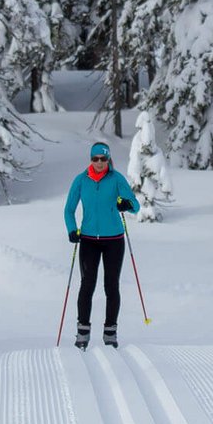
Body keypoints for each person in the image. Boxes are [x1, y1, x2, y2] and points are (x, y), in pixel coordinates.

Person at [64, 141, 140, 350]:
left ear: (108, 160)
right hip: (88, 240)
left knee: (111, 285)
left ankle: (110, 333)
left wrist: (126, 205)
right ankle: (83, 332)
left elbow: (135, 204)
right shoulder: (81, 180)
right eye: (95, 159)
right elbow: (69, 210)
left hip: (114, 240)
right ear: (91, 159)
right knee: (87, 285)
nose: (99, 163)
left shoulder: (116, 179)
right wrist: (72, 229)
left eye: (103, 159)